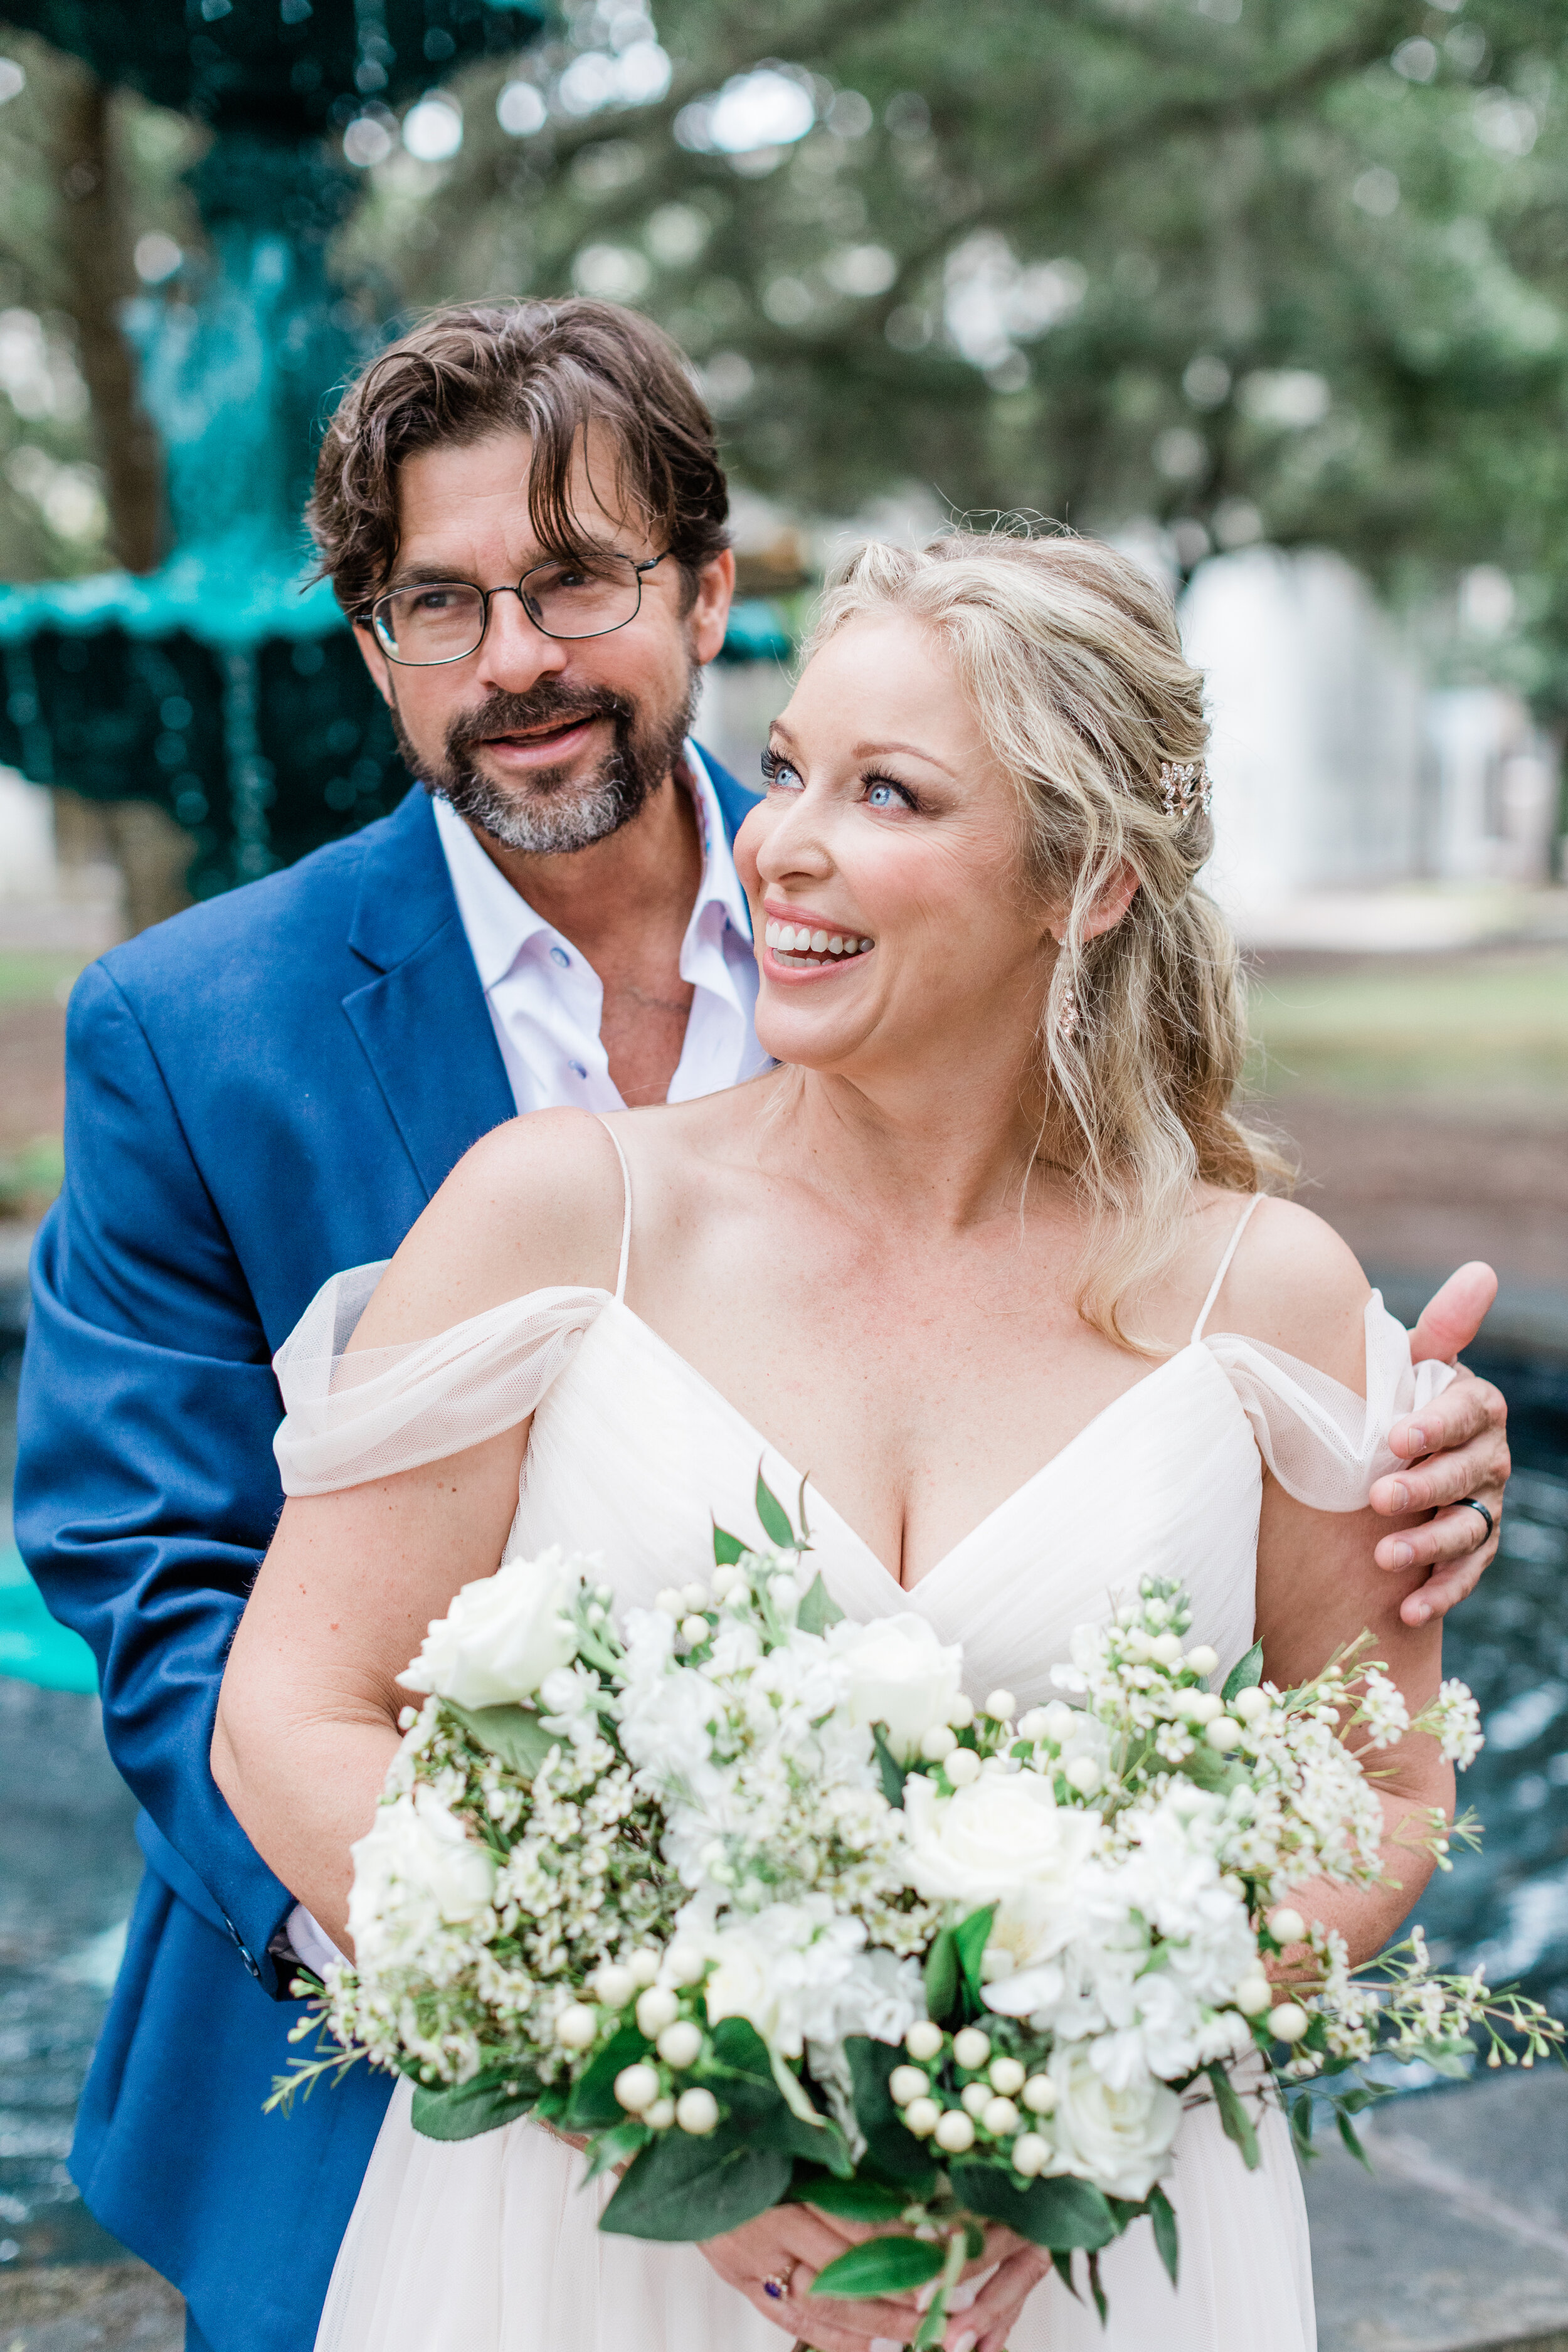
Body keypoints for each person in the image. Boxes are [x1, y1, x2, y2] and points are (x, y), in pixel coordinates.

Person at [14, 302, 1505, 2352]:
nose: (514, 655)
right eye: (438, 605)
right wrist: (618, 2060)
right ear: (374, 649)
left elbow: (1364, 1754)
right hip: (413, 2104)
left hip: (1056, 2226)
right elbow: (176, 1599)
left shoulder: (1206, 1242)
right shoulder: (211, 1045)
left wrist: (1036, 2103)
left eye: (575, 579)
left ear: (709, 593)